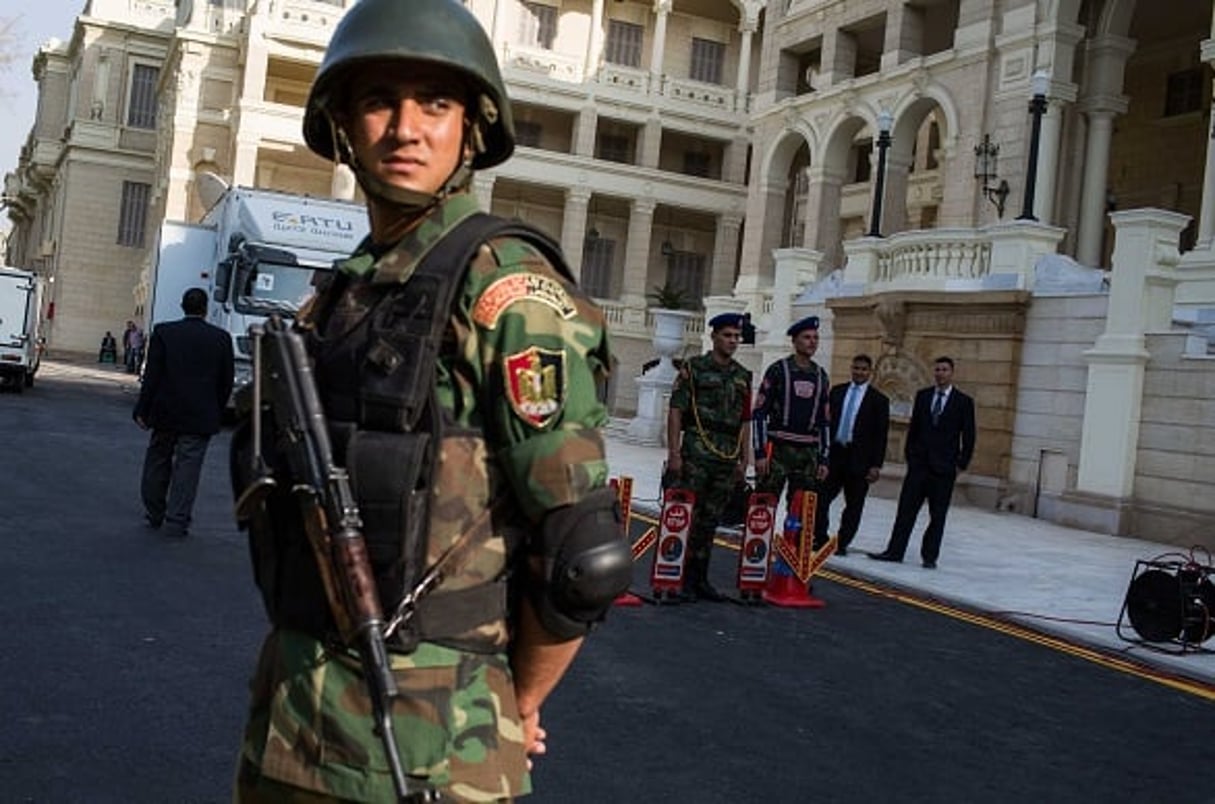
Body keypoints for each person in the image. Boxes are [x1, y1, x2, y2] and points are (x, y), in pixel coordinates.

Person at [230, 1, 630, 800]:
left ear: (472, 128)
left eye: (435, 104)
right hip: (294, 723)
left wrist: (516, 705)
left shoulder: (505, 289)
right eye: (379, 100)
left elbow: (583, 554)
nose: (405, 128)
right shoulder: (345, 290)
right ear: (341, 125)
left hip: (430, 748)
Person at [133, 288, 234, 538]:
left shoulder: (165, 332)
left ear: (182, 306)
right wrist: (217, 409)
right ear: (206, 308)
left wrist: (142, 408)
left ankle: (155, 510)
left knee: (157, 460)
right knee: (188, 468)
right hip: (200, 415)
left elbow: (152, 376)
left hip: (166, 411)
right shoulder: (221, 338)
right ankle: (177, 520)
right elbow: (226, 381)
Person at [666, 312, 752, 601]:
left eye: (736, 336)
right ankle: (678, 578)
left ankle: (700, 579)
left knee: (711, 519)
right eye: (727, 335)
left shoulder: (742, 375)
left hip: (726, 455)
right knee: (688, 516)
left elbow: (745, 420)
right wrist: (674, 452)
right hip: (697, 452)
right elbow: (676, 409)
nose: (733, 341)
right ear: (714, 336)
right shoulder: (695, 368)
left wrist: (744, 458)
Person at [869, 356, 976, 568]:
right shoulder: (923, 396)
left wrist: (960, 465)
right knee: (905, 511)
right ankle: (894, 551)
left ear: (951, 373)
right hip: (919, 466)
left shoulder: (963, 402)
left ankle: (929, 557)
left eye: (944, 370)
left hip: (944, 470)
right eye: (937, 369)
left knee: (937, 517)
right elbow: (914, 429)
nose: (940, 373)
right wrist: (911, 456)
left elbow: (969, 436)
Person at [752, 316, 831, 545]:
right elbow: (759, 413)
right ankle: (756, 562)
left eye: (815, 338)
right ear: (795, 341)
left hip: (807, 454)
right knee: (763, 508)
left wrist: (824, 458)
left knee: (802, 514)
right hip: (776, 450)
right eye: (807, 337)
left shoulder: (821, 376)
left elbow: (825, 420)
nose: (812, 342)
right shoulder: (777, 371)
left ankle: (791, 569)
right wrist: (759, 453)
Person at [813, 354, 890, 556]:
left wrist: (876, 465)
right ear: (851, 369)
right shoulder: (837, 392)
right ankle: (820, 539)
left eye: (864, 369)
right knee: (821, 499)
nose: (859, 372)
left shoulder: (879, 400)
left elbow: (881, 435)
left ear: (870, 372)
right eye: (856, 368)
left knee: (854, 505)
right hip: (835, 455)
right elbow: (825, 424)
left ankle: (842, 543)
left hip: (860, 460)